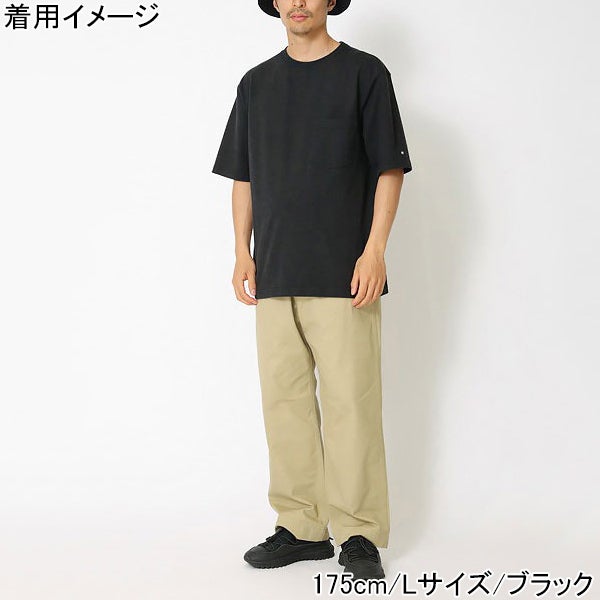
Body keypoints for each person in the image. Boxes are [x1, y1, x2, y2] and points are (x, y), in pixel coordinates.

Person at [211, 0, 412, 581]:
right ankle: (301, 527)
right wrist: (242, 250)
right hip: (275, 271)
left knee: (352, 404)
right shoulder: (256, 83)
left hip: (344, 273)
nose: (298, 2)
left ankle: (359, 532)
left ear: (330, 1)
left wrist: (375, 250)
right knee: (285, 403)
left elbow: (388, 168)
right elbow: (243, 174)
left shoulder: (364, 74)